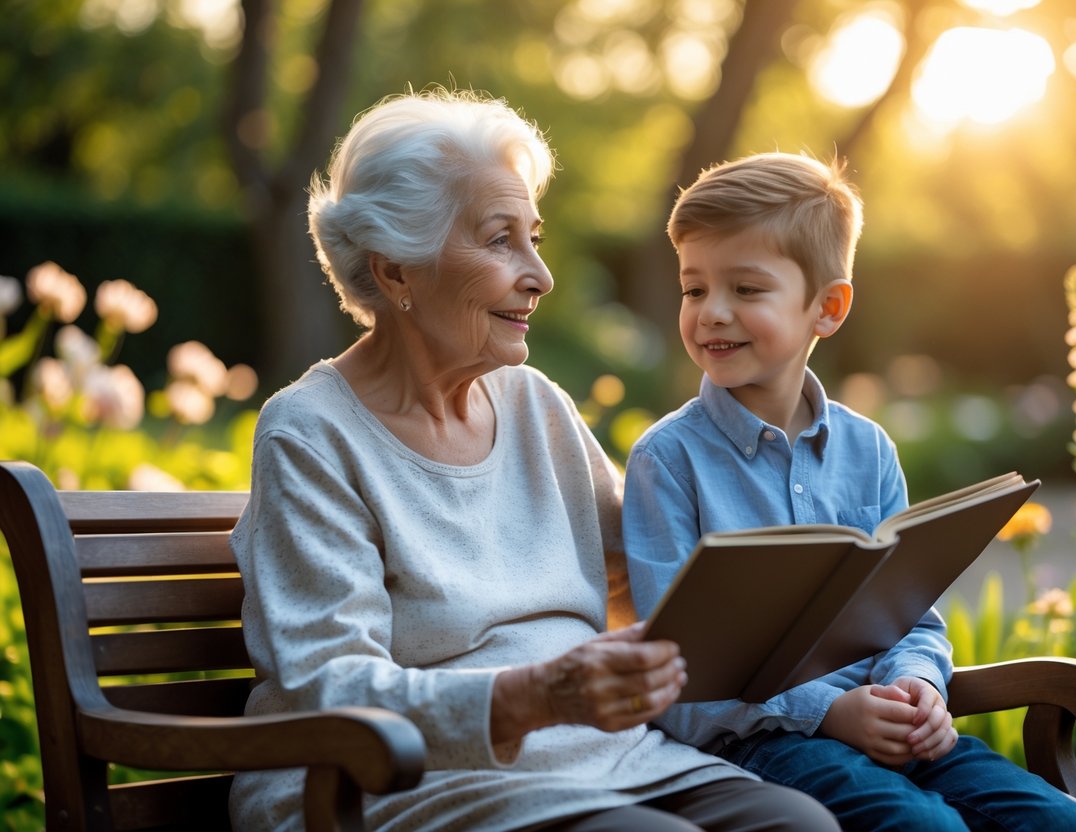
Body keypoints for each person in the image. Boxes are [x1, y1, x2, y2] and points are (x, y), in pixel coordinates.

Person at [227, 89, 840, 832]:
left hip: (601, 761)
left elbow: (645, 578)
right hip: (407, 785)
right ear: (395, 271)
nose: (538, 276)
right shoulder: (310, 432)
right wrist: (534, 695)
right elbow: (332, 685)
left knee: (799, 825)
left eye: (534, 239)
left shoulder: (532, 404)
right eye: (498, 241)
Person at [621, 152, 1076, 832]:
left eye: (746, 289)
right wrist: (830, 712)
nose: (711, 313)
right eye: (693, 289)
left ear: (827, 307)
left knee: (1066, 825)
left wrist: (920, 687)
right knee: (928, 830)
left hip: (890, 729)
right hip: (761, 745)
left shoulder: (866, 449)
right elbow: (678, 677)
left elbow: (913, 618)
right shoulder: (667, 460)